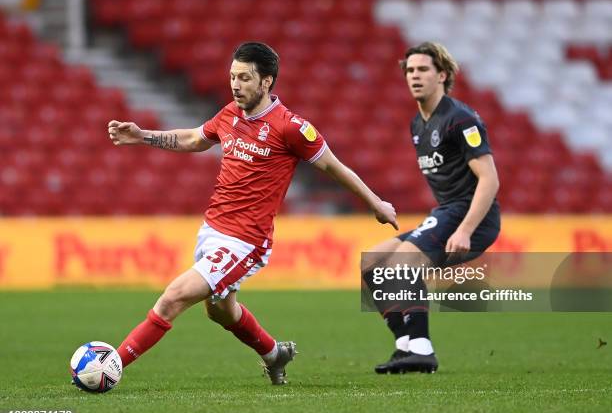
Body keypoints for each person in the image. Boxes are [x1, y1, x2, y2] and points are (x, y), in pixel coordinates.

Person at [107, 42, 398, 385]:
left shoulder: (291, 127)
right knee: (220, 311)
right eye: (233, 76)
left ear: (266, 82)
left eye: (244, 78)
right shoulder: (229, 113)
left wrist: (375, 203)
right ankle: (275, 354)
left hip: (246, 241)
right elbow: (194, 139)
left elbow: (334, 167)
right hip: (212, 230)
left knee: (173, 298)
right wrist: (143, 136)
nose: (235, 84)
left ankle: (110, 366)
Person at [365, 42, 500, 374]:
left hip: (470, 215)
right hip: (447, 212)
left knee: (402, 261)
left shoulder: (460, 119)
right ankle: (405, 345)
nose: (415, 76)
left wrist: (466, 229)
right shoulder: (417, 125)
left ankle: (423, 350)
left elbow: (490, 179)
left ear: (442, 75)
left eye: (423, 69)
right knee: (371, 262)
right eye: (410, 70)